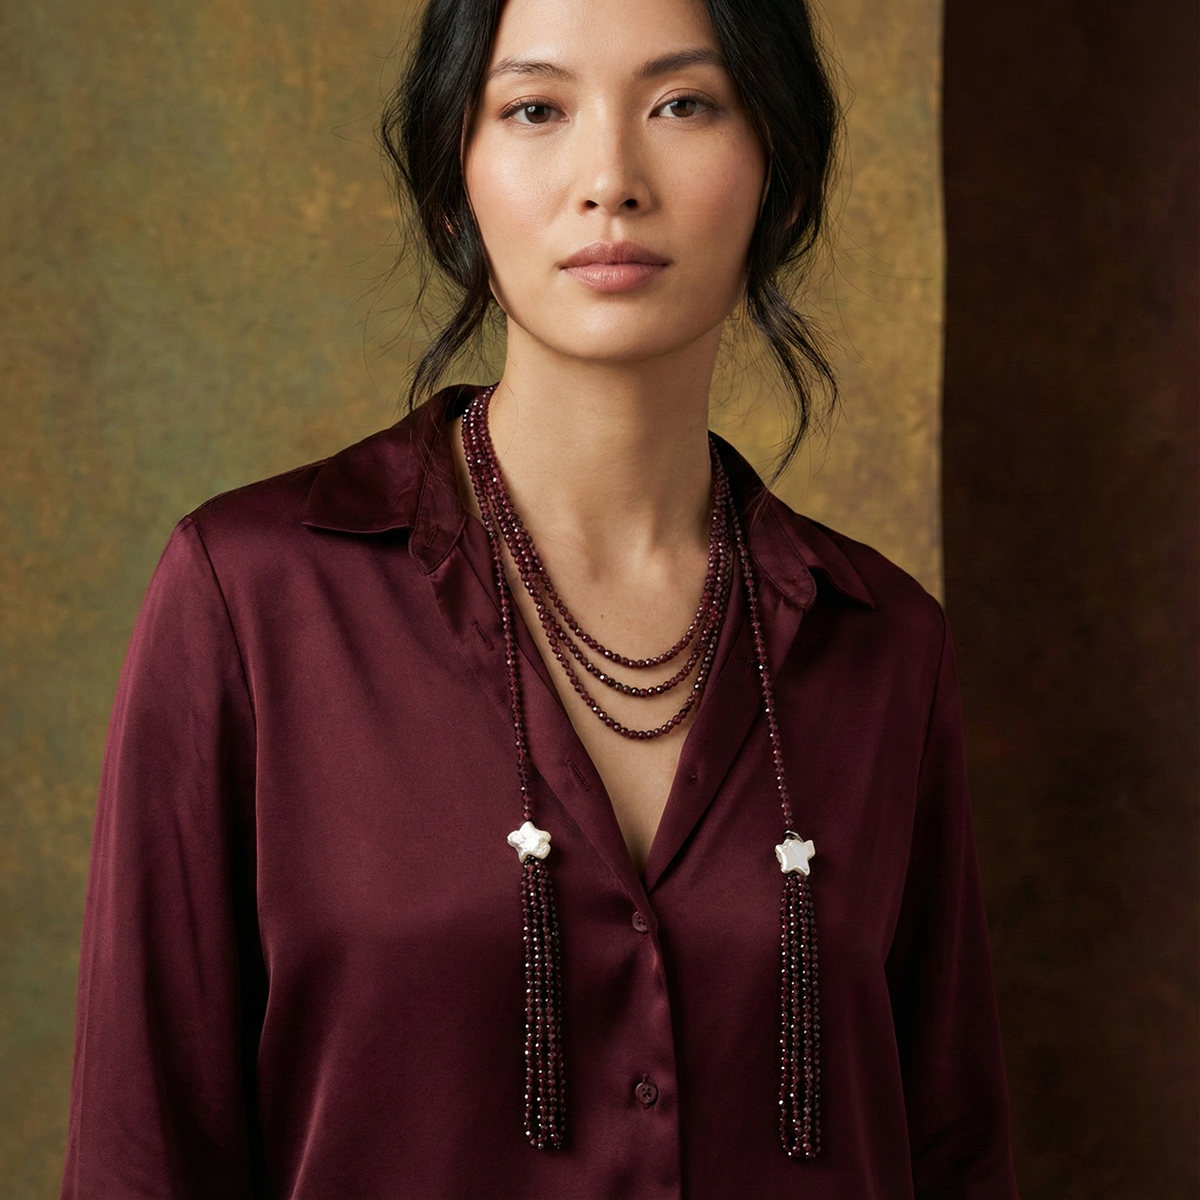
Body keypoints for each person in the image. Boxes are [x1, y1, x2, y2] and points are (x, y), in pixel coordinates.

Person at [61, 0, 1019, 1196]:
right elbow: (144, 1149)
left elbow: (953, 1151)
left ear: (777, 171)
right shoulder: (250, 598)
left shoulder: (882, 644)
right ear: (456, 178)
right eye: (536, 109)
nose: (610, 178)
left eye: (683, 103)